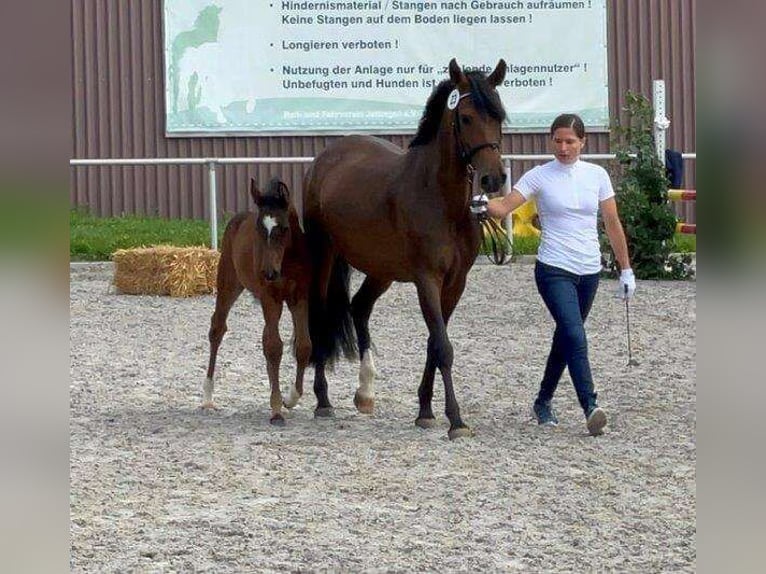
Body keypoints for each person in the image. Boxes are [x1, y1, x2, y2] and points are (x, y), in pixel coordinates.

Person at [474, 113, 636, 436]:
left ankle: (543, 401)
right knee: (575, 335)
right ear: (551, 141)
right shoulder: (539, 176)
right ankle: (590, 405)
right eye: (558, 141)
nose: (563, 148)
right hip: (553, 268)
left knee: (565, 337)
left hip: (589, 270)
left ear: (582, 143)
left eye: (570, 142)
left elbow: (612, 222)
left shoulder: (597, 175)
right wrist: (478, 202)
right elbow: (504, 207)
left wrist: (626, 269)